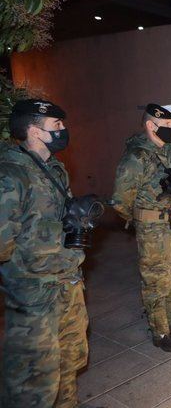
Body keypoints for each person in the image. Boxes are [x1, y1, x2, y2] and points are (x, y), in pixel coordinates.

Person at [0, 99, 88, 407]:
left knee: (70, 360)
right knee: (33, 382)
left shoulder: (53, 167)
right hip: (34, 296)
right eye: (57, 126)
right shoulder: (10, 176)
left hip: (66, 281)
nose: (64, 130)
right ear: (34, 132)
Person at [112, 103, 171, 352]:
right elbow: (120, 200)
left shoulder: (169, 151)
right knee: (156, 280)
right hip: (153, 229)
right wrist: (143, 219)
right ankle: (160, 331)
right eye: (167, 126)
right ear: (151, 125)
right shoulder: (135, 158)